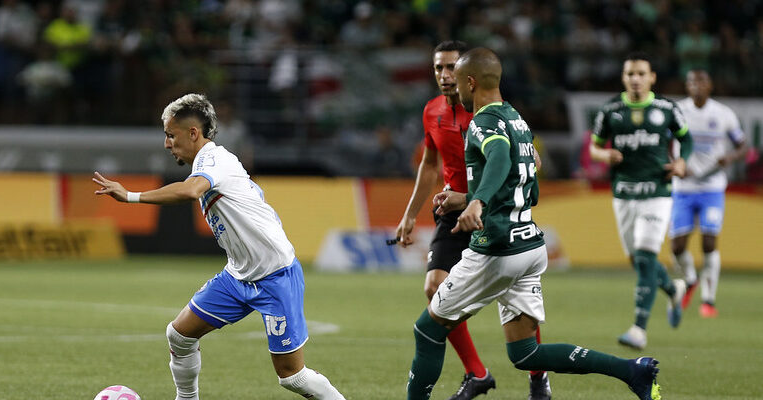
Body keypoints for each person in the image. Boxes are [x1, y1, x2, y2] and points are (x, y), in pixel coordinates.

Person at [405, 47, 662, 400]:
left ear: (470, 81)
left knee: (427, 331)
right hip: (529, 246)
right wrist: (466, 198)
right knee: (525, 353)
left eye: (458, 80)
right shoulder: (518, 120)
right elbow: (527, 186)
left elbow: (495, 157)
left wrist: (477, 200)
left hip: (497, 250)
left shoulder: (483, 121)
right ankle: (632, 370)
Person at [92, 93, 345, 400]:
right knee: (180, 335)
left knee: (292, 377)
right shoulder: (211, 163)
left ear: (193, 133)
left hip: (275, 276)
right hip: (238, 276)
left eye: (171, 135)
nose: (167, 143)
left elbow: (189, 190)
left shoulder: (215, 159)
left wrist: (131, 196)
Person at [395, 40, 550, 400]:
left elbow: (533, 163)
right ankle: (477, 373)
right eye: (438, 68)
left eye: (451, 67)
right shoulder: (431, 111)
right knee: (435, 287)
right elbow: (429, 164)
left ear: (467, 75)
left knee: (513, 301)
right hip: (453, 213)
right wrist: (409, 213)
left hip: (491, 211)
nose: (445, 75)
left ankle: (538, 377)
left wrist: (477, 198)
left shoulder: (486, 111)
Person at [589, 52, 692, 350]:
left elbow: (686, 139)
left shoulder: (666, 108)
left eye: (641, 73)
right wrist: (604, 155)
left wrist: (682, 162)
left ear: (652, 77)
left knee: (646, 259)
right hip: (624, 193)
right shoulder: (611, 110)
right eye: (630, 74)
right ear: (624, 78)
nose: (635, 79)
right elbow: (594, 147)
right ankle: (674, 289)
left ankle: (638, 329)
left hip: (657, 192)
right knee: (638, 261)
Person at [670, 69, 748, 318]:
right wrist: (675, 164)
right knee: (677, 247)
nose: (697, 86)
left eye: (701, 81)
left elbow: (742, 145)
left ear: (710, 85)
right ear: (687, 86)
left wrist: (731, 157)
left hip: (712, 186)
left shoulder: (723, 114)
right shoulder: (678, 111)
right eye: (692, 81)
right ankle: (691, 279)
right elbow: (663, 141)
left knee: (709, 241)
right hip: (683, 186)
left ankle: (708, 300)